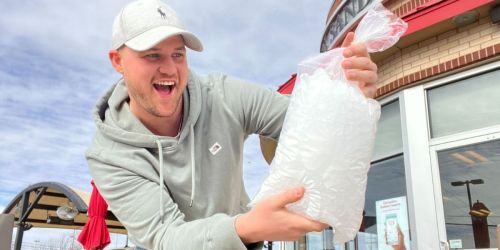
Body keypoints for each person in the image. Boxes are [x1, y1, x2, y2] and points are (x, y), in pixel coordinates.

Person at [86, 0, 378, 249]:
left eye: (178, 54)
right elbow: (165, 237)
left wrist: (347, 98)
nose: (169, 68)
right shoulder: (109, 154)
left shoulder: (223, 95)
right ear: (117, 61)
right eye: (152, 55)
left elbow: (306, 121)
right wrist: (246, 227)